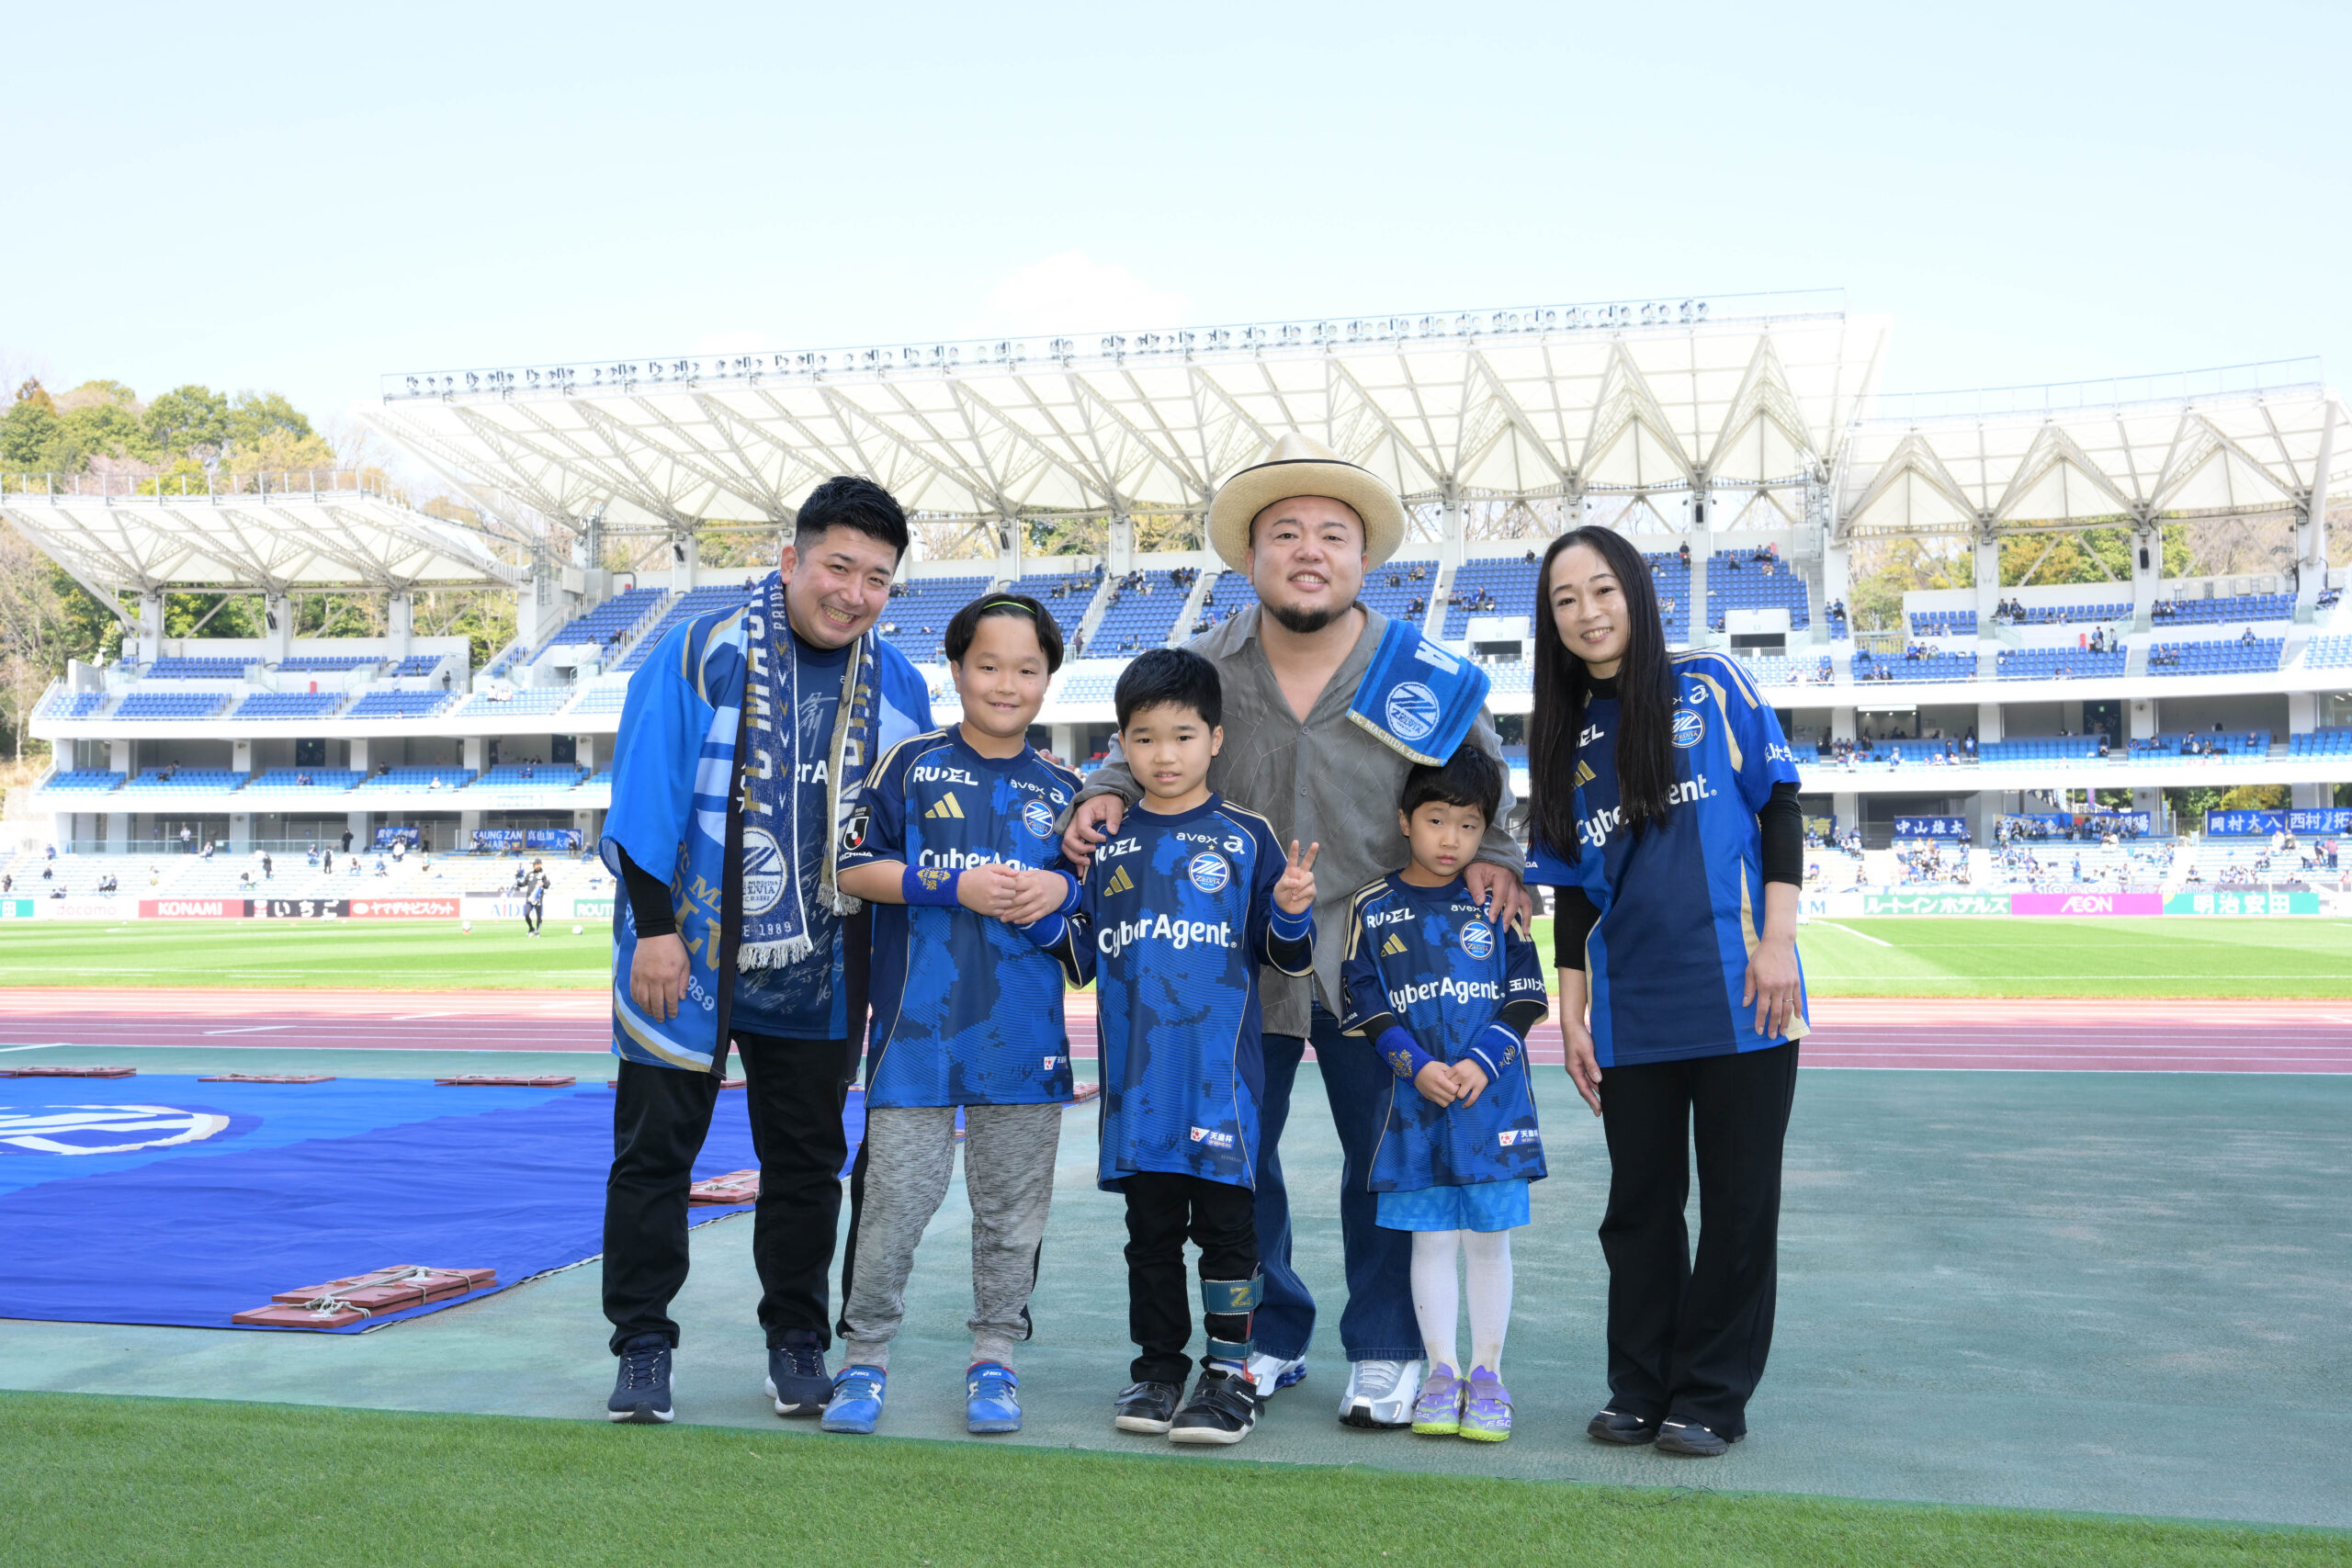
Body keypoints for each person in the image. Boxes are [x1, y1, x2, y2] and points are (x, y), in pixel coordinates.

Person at [1057, 433, 1529, 1428]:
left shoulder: (1422, 671)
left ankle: (1387, 1347)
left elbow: (1485, 786)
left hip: (1385, 962)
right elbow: (1131, 753)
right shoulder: (1201, 666)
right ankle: (1268, 1337)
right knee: (1241, 1162)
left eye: (1331, 534)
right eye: (1284, 533)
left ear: (1364, 558)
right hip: (1236, 965)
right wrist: (1100, 793)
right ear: (1249, 555)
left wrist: (1498, 855)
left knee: (1382, 1159)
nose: (1308, 550)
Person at [598, 476, 933, 1427]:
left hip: (824, 970)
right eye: (838, 566)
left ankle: (796, 1339)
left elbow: (908, 824)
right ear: (790, 560)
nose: (854, 593)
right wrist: (655, 930)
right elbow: (646, 789)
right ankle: (643, 1343)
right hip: (689, 952)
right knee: (654, 1157)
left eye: (877, 578)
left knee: (806, 1165)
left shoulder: (900, 683)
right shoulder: (700, 649)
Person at [1525, 525, 1808, 1460]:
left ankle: (1711, 1397)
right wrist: (1571, 1010)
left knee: (1737, 1205)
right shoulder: (1561, 734)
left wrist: (1777, 941)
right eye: (1565, 599)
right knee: (1640, 1207)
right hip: (1630, 1006)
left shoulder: (1711, 683)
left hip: (1744, 992)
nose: (1586, 612)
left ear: (1637, 593)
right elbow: (1572, 892)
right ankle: (1640, 1387)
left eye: (1602, 589)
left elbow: (1779, 805)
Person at [1030, 649, 1317, 1447]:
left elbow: (1286, 959)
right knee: (1150, 1236)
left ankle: (1229, 1374)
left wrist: (1292, 910)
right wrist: (1032, 909)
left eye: (1183, 735)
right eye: (1145, 737)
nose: (1164, 754)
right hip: (1139, 1090)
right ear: (1121, 744)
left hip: (1221, 1086)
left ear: (1215, 739)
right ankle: (1158, 1369)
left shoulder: (1248, 837)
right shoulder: (1107, 844)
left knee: (1230, 1234)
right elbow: (1082, 956)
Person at [825, 593, 1082, 1438]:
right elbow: (851, 868)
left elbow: (1091, 925)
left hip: (1024, 1042)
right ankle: (864, 1358)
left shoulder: (1068, 792)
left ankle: (995, 1357)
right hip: (915, 1041)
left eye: (1026, 668)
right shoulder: (908, 765)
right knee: (893, 1206)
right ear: (957, 669)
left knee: (1012, 1217)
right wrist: (952, 885)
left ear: (1048, 678)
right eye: (988, 665)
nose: (1006, 683)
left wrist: (1062, 889)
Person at [1338, 745, 1548, 1444]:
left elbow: (1526, 994)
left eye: (1468, 824)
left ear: (1485, 827)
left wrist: (1483, 1062)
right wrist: (1415, 1065)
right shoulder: (1373, 906)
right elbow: (1362, 1000)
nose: (1451, 838)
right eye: (1435, 820)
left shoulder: (1497, 899)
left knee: (1489, 1240)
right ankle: (1441, 1372)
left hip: (1492, 1105)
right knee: (1428, 1240)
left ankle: (1488, 1375)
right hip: (1412, 1106)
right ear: (1405, 820)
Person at [523, 861, 548, 937]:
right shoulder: (529, 874)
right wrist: (518, 883)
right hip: (530, 898)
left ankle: (537, 931)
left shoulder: (543, 874)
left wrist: (543, 884)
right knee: (526, 914)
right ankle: (531, 928)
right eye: (533, 864)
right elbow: (524, 883)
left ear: (540, 864)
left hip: (538, 898)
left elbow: (547, 885)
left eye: (535, 864)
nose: (534, 865)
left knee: (538, 916)